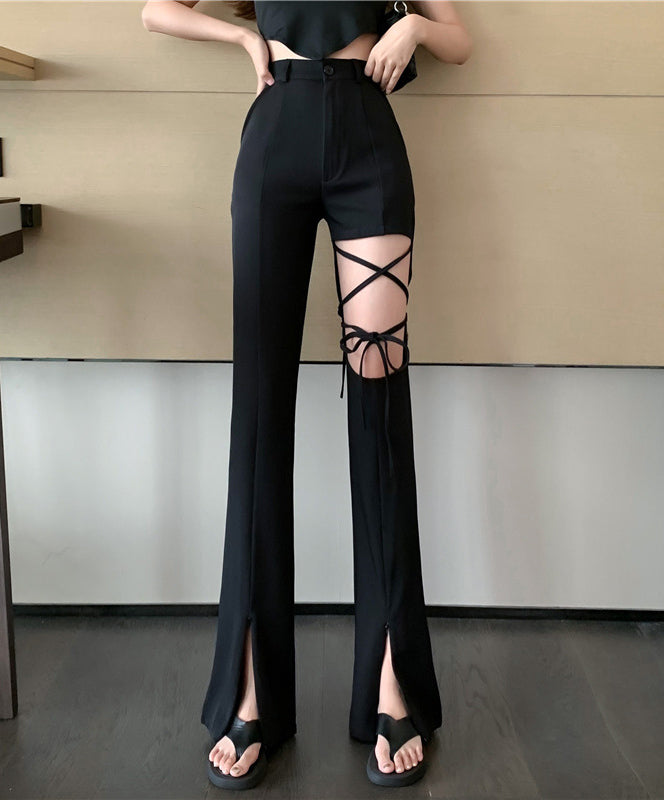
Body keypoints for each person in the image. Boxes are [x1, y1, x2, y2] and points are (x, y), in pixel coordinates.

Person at [142, 0, 472, 789]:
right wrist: (241, 35)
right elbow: (156, 11)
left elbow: (458, 40)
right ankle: (251, 693)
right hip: (275, 134)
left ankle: (393, 681)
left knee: (379, 397)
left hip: (369, 143)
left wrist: (413, 28)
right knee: (258, 415)